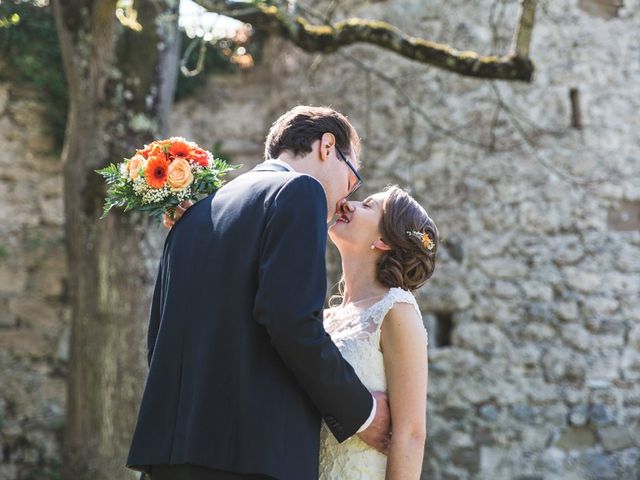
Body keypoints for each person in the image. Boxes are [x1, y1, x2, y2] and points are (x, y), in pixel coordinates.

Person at [126, 106, 391, 480]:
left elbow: (159, 341)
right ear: (327, 147)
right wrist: (362, 413)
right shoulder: (300, 191)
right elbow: (291, 322)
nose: (347, 197)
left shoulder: (193, 216)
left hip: (170, 455)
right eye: (353, 178)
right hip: (254, 456)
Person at [319, 185, 437, 479]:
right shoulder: (323, 317)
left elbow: (410, 434)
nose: (347, 204)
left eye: (368, 206)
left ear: (384, 240)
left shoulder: (396, 309)